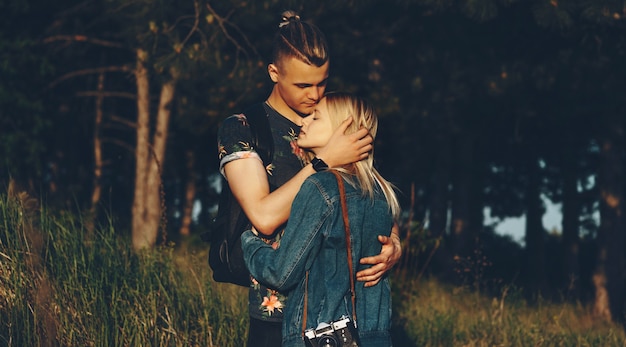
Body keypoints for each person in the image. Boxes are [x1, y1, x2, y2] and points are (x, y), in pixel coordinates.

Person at [217, 11, 401, 347]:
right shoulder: (243, 128)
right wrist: (325, 160)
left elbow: (366, 192)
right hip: (278, 311)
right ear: (274, 72)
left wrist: (394, 242)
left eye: (322, 82)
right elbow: (263, 216)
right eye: (303, 84)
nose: (314, 94)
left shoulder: (335, 121)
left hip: (345, 313)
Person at [242, 92, 399, 347]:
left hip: (322, 337)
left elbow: (281, 273)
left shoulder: (320, 187)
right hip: (374, 337)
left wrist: (249, 242)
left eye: (315, 117)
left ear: (341, 129)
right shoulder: (381, 193)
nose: (303, 122)